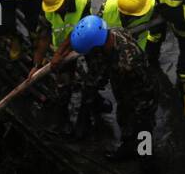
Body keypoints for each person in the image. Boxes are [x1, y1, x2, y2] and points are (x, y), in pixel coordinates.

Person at [67, 16, 157, 165]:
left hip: (143, 97)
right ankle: (128, 146)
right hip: (125, 91)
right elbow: (99, 70)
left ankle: (147, 161)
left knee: (142, 130)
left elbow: (101, 75)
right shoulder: (111, 34)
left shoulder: (127, 62)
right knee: (124, 119)